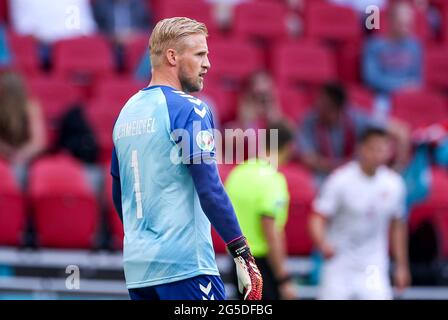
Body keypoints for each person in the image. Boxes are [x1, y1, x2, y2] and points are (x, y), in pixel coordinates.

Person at [110, 17, 262, 300]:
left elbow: (121, 196)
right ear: (172, 56)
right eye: (200, 54)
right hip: (186, 267)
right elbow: (210, 188)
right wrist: (242, 252)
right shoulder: (190, 109)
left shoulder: (126, 113)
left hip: (139, 270)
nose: (208, 64)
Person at [309, 127, 411, 300]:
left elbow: (398, 226)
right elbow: (317, 217)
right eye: (373, 148)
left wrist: (402, 266)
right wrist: (323, 243)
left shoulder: (394, 184)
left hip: (373, 267)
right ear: (361, 148)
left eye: (382, 149)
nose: (378, 154)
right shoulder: (340, 180)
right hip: (339, 264)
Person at [225, 120, 297, 300]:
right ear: (289, 147)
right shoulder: (273, 180)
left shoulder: (237, 173)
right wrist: (283, 278)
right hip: (262, 267)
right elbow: (270, 231)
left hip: (236, 262)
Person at [296, 82, 410, 185]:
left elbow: (401, 132)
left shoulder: (356, 118)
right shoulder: (310, 120)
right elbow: (308, 158)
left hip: (357, 175)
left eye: (324, 105)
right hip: (324, 176)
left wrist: (398, 169)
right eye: (318, 102)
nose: (318, 106)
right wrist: (338, 168)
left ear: (338, 109)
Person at [362, 0, 422, 118]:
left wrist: (408, 88)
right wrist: (401, 86)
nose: (407, 29)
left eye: (409, 25)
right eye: (403, 24)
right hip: (383, 97)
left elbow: (417, 79)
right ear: (392, 21)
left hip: (409, 98)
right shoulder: (374, 45)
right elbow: (371, 79)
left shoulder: (415, 46)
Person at [0, 72, 46, 168]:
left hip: (26, 158)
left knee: (19, 170)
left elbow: (38, 142)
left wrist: (20, 155)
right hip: (3, 156)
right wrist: (7, 152)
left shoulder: (31, 107)